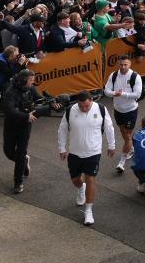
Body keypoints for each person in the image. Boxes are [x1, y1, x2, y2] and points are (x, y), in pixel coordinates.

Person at [57, 90, 116, 227]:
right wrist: (62, 148)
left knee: (90, 179)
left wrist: (111, 145)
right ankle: (80, 188)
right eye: (81, 106)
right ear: (77, 103)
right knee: (76, 180)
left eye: (87, 106)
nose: (84, 109)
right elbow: (62, 130)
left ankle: (88, 210)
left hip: (93, 152)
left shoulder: (100, 109)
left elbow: (109, 127)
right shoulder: (70, 110)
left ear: (92, 101)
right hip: (75, 153)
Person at [2, 69, 61, 193]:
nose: (33, 82)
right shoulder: (10, 92)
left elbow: (38, 99)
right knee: (8, 152)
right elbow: (9, 110)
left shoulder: (31, 88)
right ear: (23, 80)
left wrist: (51, 103)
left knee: (20, 154)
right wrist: (25, 116)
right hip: (11, 125)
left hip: (25, 126)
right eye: (31, 80)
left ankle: (18, 183)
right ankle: (24, 161)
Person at [104, 54, 142, 173]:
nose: (123, 67)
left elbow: (137, 94)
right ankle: (131, 148)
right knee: (124, 133)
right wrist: (114, 93)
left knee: (127, 135)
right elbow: (106, 91)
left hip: (131, 110)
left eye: (125, 64)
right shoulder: (114, 75)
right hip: (118, 110)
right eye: (121, 64)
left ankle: (121, 162)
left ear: (130, 64)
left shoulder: (135, 76)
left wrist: (122, 94)